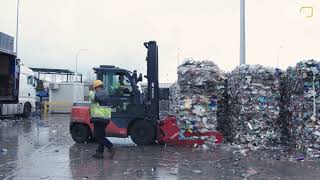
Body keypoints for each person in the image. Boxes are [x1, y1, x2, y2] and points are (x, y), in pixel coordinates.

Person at [89, 80, 115, 159]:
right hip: (101, 117)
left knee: (97, 135)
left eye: (95, 88)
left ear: (98, 87)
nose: (94, 90)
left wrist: (90, 91)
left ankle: (111, 147)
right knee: (101, 136)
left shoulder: (102, 92)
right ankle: (99, 153)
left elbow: (93, 98)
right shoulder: (102, 92)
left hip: (101, 117)